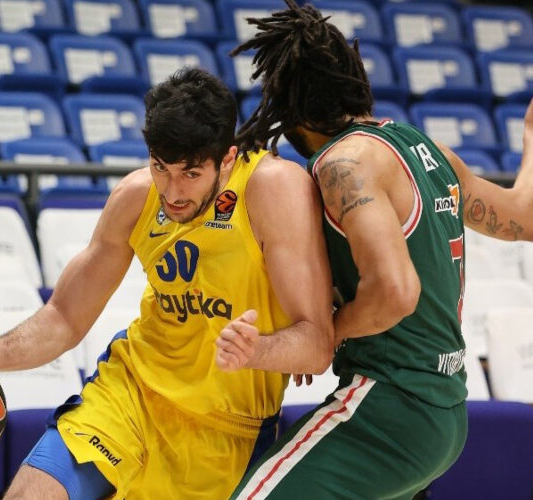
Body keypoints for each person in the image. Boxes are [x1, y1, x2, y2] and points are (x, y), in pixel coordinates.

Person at [0, 67, 335, 499]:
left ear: (226, 158)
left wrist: (257, 351)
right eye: (160, 167)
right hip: (130, 396)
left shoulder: (273, 190)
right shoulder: (136, 197)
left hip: (228, 430)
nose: (172, 192)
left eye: (190, 174)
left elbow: (316, 345)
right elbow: (64, 317)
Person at [216, 2, 533, 499]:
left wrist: (325, 334)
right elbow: (522, 218)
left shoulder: (343, 164)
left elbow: (397, 292)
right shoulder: (427, 150)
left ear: (293, 109)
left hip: (390, 406)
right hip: (446, 411)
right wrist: (530, 135)